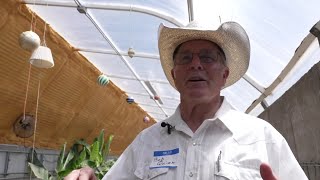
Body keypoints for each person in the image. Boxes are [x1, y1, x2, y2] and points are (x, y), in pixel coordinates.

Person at [65, 21, 308, 180]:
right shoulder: (147, 142)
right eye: (185, 58)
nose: (196, 64)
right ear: (174, 75)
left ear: (224, 75)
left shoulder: (262, 137)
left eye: (207, 57)